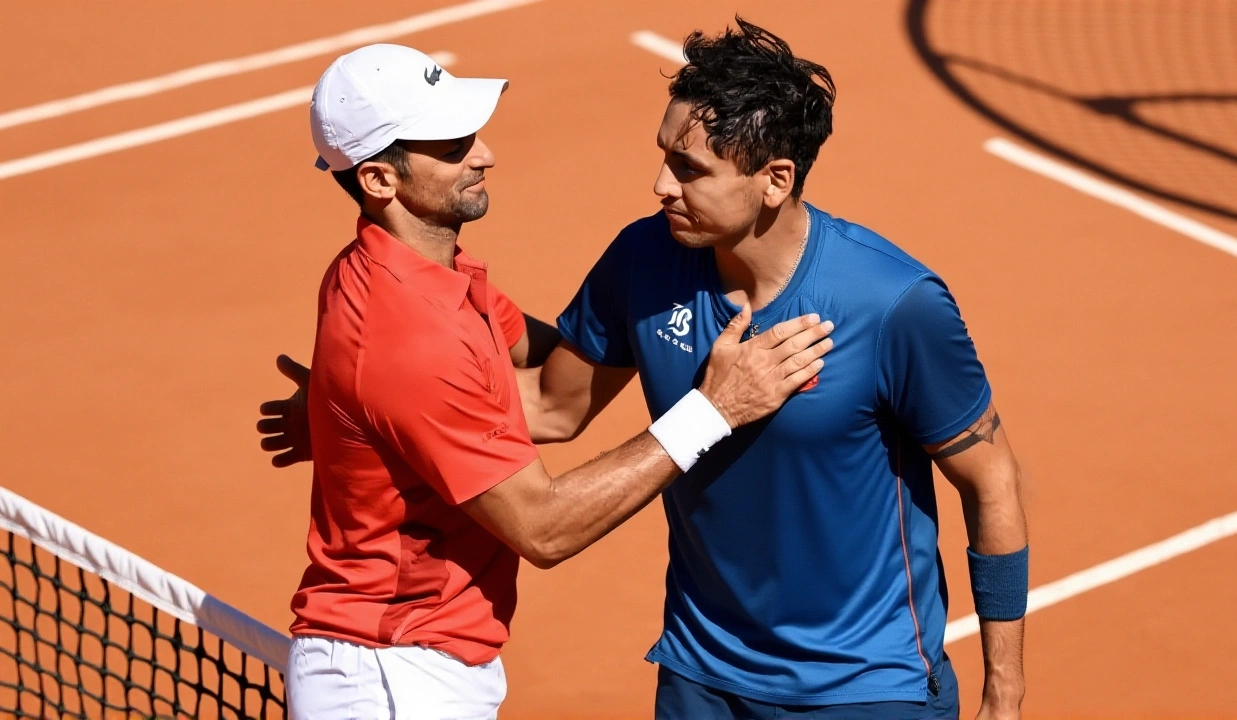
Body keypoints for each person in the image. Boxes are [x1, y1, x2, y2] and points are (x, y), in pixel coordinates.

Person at [261, 20, 1028, 720]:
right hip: (694, 676)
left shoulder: (894, 304)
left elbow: (990, 480)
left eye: (687, 167)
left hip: (861, 687)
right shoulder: (642, 260)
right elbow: (548, 458)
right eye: (665, 158)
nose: (661, 185)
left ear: (776, 179)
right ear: (379, 181)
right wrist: (369, 411)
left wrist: (1004, 691)